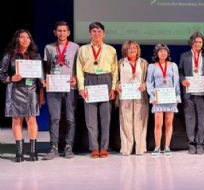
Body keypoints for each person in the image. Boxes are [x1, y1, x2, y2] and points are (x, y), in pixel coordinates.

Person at [0, 29, 45, 162]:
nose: (25, 40)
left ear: (31, 41)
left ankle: (33, 151)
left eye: (28, 38)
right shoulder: (9, 55)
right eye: (22, 37)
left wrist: (42, 90)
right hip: (15, 89)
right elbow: (1, 73)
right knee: (16, 120)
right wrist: (10, 78)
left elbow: (41, 77)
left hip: (31, 90)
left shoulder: (35, 56)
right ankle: (19, 152)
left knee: (32, 119)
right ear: (17, 39)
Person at [76, 22, 118, 158]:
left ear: (104, 34)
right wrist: (81, 88)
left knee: (106, 119)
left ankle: (104, 147)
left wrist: (113, 88)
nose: (97, 34)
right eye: (94, 31)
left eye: (99, 31)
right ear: (90, 33)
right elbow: (79, 69)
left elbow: (115, 70)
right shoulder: (83, 49)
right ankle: (94, 147)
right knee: (90, 118)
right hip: (90, 80)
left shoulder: (111, 50)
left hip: (106, 80)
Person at [43, 21, 79, 160]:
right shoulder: (49, 47)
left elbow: (78, 66)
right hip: (54, 87)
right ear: (55, 32)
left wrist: (76, 77)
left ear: (68, 33)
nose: (62, 33)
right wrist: (45, 80)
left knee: (70, 118)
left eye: (64, 31)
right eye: (59, 30)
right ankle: (53, 148)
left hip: (70, 86)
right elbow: (46, 67)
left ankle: (68, 147)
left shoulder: (76, 47)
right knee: (54, 118)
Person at [179, 32, 204, 154]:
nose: (198, 44)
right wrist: (183, 81)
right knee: (190, 118)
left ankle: (200, 144)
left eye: (200, 42)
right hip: (189, 91)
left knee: (202, 119)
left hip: (202, 91)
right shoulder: (184, 56)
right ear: (192, 42)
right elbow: (181, 72)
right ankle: (191, 144)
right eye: (196, 41)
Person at [146, 43, 181, 156]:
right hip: (158, 99)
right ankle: (157, 147)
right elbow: (149, 83)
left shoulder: (173, 65)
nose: (163, 53)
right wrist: (152, 96)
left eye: (165, 51)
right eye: (161, 51)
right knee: (158, 124)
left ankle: (167, 147)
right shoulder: (152, 66)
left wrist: (177, 96)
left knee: (169, 123)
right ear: (157, 53)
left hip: (170, 98)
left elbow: (176, 83)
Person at [116, 40, 149, 155]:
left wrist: (144, 85)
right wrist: (117, 86)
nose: (132, 50)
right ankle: (126, 148)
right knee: (126, 122)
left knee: (140, 121)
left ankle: (140, 148)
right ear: (125, 50)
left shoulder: (143, 62)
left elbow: (147, 80)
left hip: (140, 96)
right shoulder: (121, 62)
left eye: (134, 48)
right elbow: (116, 78)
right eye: (129, 48)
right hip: (125, 96)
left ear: (138, 50)